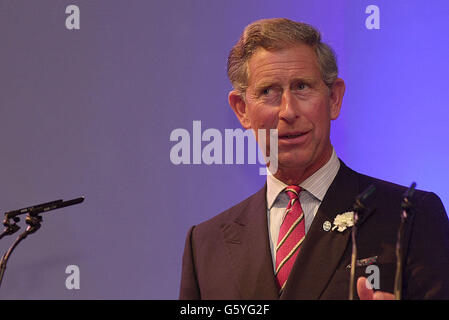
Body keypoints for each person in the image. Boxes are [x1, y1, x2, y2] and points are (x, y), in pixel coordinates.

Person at [179, 18, 449, 300]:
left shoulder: (410, 216)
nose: (288, 111)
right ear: (242, 109)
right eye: (268, 91)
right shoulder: (206, 245)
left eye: (302, 87)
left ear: (334, 98)